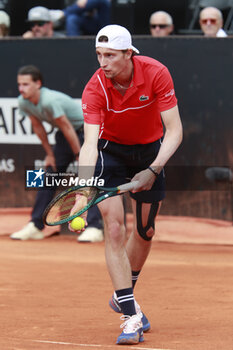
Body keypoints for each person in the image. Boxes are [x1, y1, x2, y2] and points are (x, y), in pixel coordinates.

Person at [70, 24, 183, 344]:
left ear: (128, 54)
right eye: (98, 55)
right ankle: (130, 315)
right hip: (111, 153)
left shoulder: (156, 73)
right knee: (115, 227)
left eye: (110, 55)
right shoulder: (94, 89)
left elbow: (174, 130)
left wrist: (153, 169)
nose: (102, 62)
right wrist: (83, 189)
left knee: (145, 231)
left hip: (151, 150)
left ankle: (123, 293)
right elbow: (89, 143)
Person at [10, 65, 104, 243]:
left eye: (26, 84)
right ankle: (35, 225)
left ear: (38, 84)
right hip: (64, 135)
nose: (21, 88)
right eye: (19, 84)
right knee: (48, 174)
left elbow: (68, 127)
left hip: (86, 132)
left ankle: (94, 227)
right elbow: (38, 127)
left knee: (90, 178)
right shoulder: (23, 101)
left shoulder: (49, 100)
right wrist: (49, 155)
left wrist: (79, 154)